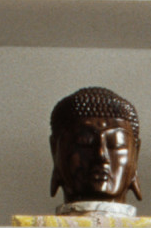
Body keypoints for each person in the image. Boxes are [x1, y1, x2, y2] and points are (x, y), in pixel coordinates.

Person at [47, 86, 143, 214]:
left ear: (135, 154)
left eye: (115, 144)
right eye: (84, 142)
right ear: (55, 151)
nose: (101, 156)